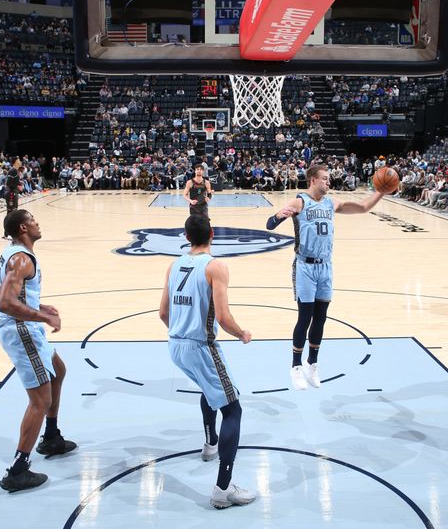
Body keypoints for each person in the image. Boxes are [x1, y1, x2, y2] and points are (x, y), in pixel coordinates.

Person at [158, 215, 255, 509]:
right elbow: (224, 319)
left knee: (209, 389)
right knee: (233, 409)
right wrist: (242, 334)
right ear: (213, 234)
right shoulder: (216, 266)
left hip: (175, 345)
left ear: (186, 237)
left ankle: (210, 444)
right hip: (200, 346)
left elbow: (163, 313)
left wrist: (183, 334)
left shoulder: (173, 265)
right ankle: (222, 491)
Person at [266, 164, 385, 390]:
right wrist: (278, 216)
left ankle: (313, 363)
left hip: (326, 267)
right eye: (324, 178)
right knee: (305, 317)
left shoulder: (332, 202)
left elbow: (363, 207)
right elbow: (269, 224)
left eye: (328, 179)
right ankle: (296, 367)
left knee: (321, 318)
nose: (328, 182)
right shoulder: (299, 202)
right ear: (312, 180)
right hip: (305, 267)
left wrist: (381, 191)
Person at [0, 210, 76, 492]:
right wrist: (43, 317)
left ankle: (51, 437)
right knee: (40, 400)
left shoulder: (17, 253)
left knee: (59, 371)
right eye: (33, 220)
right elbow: (5, 303)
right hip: (21, 331)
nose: (37, 222)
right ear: (23, 227)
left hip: (27, 326)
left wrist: (39, 306)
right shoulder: (20, 259)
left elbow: (15, 296)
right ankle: (17, 471)